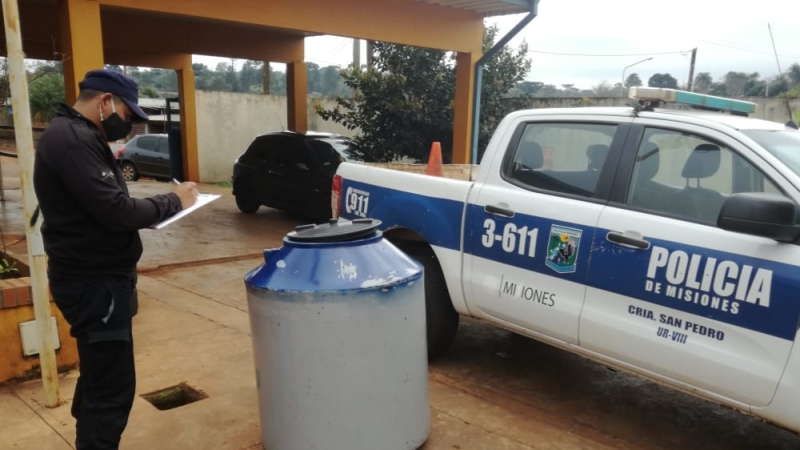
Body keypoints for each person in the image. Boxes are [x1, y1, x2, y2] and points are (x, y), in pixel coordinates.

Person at [33, 69, 198, 450]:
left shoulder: (75, 135)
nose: (127, 124)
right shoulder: (74, 140)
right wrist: (175, 200)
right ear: (105, 101)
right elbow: (118, 211)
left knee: (98, 378)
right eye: (127, 114)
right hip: (96, 286)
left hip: (95, 282)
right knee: (111, 391)